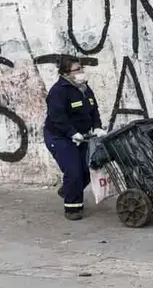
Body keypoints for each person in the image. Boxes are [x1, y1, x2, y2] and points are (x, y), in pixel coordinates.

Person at [43, 56, 106, 221]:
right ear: (66, 73)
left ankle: (68, 189)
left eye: (81, 69)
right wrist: (71, 133)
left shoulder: (84, 88)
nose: (81, 72)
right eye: (77, 70)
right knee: (73, 170)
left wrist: (97, 126)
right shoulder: (58, 91)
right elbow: (57, 117)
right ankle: (72, 208)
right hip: (59, 137)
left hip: (82, 136)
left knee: (89, 167)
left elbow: (94, 109)